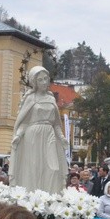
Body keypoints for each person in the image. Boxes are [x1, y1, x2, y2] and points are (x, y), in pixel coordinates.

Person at [10, 66, 69, 194]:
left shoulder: (52, 98)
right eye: (40, 80)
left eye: (45, 79)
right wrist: (18, 136)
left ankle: (51, 196)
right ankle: (32, 195)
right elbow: (24, 122)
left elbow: (56, 124)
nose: (44, 82)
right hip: (33, 134)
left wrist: (62, 137)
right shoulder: (30, 98)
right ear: (34, 82)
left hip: (49, 134)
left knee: (53, 167)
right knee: (33, 167)